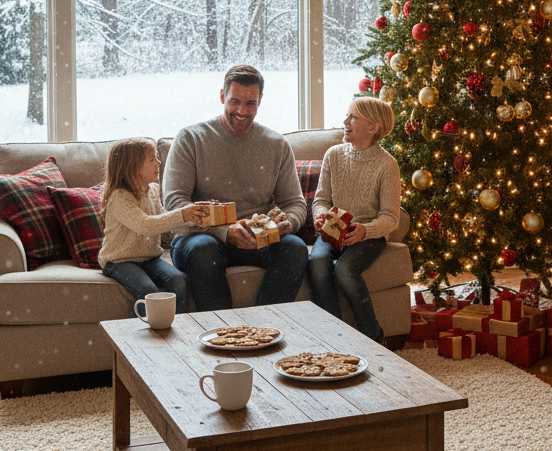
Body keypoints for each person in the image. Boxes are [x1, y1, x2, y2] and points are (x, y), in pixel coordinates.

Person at [163, 64, 309, 313]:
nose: (241, 111)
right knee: (202, 249)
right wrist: (224, 232)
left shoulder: (276, 145)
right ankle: (222, 334)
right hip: (200, 239)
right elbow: (175, 203)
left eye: (250, 103)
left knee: (295, 247)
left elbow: (295, 203)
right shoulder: (191, 138)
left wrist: (289, 223)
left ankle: (264, 329)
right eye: (235, 101)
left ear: (260, 101)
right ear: (222, 96)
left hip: (257, 240)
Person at [308, 97, 401, 342]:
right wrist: (320, 216)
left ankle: (373, 334)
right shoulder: (333, 155)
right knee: (317, 262)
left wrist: (365, 231)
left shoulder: (387, 165)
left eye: (353, 117)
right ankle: (335, 336)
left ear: (374, 127)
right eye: (347, 115)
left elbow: (391, 218)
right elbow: (320, 200)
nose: (344, 122)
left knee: (345, 270)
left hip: (368, 234)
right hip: (333, 230)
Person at [99, 137, 208, 314]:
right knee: (147, 290)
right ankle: (139, 338)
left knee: (178, 280)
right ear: (132, 167)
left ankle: (173, 327)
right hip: (119, 261)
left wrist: (193, 219)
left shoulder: (151, 191)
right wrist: (182, 214)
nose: (159, 162)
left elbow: (163, 220)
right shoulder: (120, 197)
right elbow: (145, 225)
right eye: (152, 159)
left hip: (148, 258)